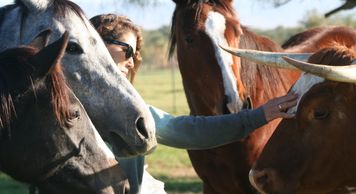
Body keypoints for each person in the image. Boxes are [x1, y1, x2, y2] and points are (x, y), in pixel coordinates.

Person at [90, 13, 298, 194]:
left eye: (134, 54)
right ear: (95, 43)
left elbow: (188, 130)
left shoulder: (130, 109)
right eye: (127, 50)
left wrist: (259, 115)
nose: (131, 61)